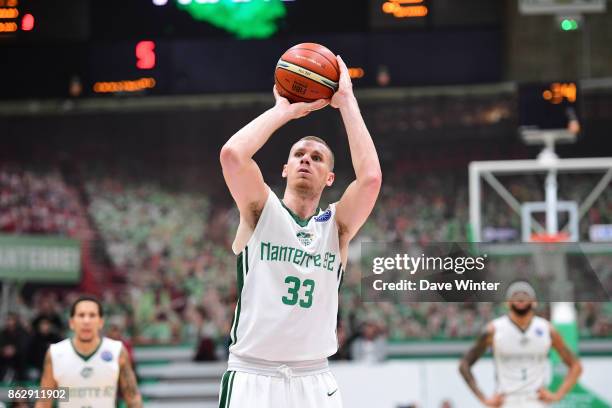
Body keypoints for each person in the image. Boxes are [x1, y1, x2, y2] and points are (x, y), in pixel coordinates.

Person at [218, 54, 382, 407]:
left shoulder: (336, 228)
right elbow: (233, 155)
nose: (306, 159)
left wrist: (346, 101)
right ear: (285, 168)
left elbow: (370, 180)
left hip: (313, 379)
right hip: (252, 375)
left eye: (317, 157)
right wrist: (285, 111)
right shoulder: (261, 210)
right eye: (299, 154)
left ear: (330, 178)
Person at [459, 281, 582, 407]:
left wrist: (557, 395)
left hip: (536, 400)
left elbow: (576, 365)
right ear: (507, 302)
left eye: (525, 295)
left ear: (534, 302)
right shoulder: (494, 330)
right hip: (506, 401)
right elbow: (464, 365)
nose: (520, 298)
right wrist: (484, 399)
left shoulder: (547, 329)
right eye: (516, 295)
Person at [35, 295, 142, 408]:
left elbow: (133, 399)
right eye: (81, 315)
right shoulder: (56, 353)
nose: (86, 321)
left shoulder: (117, 351)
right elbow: (44, 402)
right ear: (71, 322)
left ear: (101, 322)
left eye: (92, 315)